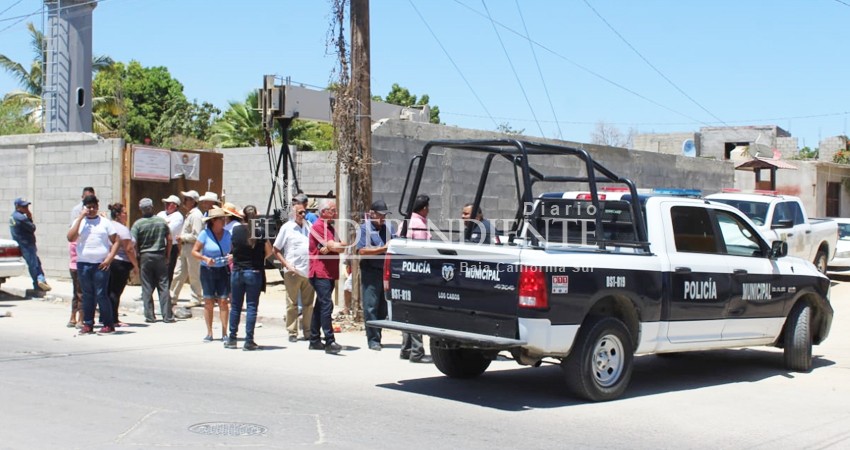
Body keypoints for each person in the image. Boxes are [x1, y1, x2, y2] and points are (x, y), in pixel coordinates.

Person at [67, 194, 120, 334]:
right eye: (88, 207)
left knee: (101, 294)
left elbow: (117, 241)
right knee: (87, 295)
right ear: (84, 207)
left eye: (94, 207)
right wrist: (80, 218)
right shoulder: (80, 222)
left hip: (100, 264)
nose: (91, 210)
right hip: (83, 264)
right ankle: (88, 324)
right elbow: (70, 237)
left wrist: (109, 258)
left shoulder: (105, 222)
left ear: (97, 207)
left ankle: (108, 324)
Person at [226, 205, 273, 351]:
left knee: (235, 307)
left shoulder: (236, 230)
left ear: (243, 216)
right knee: (251, 307)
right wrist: (258, 259)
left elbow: (232, 249)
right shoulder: (260, 232)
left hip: (238, 271)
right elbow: (269, 251)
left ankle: (232, 338)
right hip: (254, 272)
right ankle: (249, 340)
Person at [307, 199, 347, 354]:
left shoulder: (329, 227)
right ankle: (329, 341)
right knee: (326, 305)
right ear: (323, 212)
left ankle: (315, 339)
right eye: (332, 210)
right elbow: (334, 246)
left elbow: (342, 246)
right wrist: (332, 246)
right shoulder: (318, 226)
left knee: (320, 306)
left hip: (329, 272)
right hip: (320, 272)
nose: (335, 213)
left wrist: (334, 246)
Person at [273, 202, 315, 343]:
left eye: (304, 212)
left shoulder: (310, 227)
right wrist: (287, 265)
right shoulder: (287, 228)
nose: (303, 215)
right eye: (300, 212)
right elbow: (276, 250)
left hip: (308, 271)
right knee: (292, 303)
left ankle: (308, 331)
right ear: (293, 213)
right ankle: (292, 331)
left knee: (309, 303)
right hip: (293, 271)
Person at [356, 200, 395, 351]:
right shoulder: (364, 229)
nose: (382, 218)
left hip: (385, 272)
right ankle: (372, 339)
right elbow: (362, 251)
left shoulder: (388, 228)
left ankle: (378, 335)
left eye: (384, 215)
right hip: (370, 272)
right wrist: (382, 248)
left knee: (382, 307)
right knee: (371, 306)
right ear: (372, 214)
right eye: (380, 215)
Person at [192, 206, 232, 342]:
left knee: (223, 301)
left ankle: (225, 332)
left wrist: (232, 256)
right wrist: (205, 259)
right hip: (208, 270)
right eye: (222, 219)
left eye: (224, 218)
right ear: (214, 221)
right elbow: (195, 251)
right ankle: (209, 332)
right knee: (208, 301)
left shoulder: (227, 234)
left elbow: (234, 250)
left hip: (223, 269)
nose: (224, 221)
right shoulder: (205, 234)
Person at [131, 198, 173, 323]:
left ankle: (150, 316)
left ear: (141, 209)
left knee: (147, 286)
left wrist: (136, 256)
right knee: (163, 285)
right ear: (152, 207)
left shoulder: (138, 224)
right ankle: (167, 316)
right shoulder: (161, 222)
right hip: (160, 254)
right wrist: (168, 255)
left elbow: (133, 242)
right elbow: (169, 239)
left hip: (145, 256)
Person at [401, 194, 432, 363]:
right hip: (417, 274)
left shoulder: (406, 222)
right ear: (424, 208)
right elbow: (422, 253)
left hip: (404, 272)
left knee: (407, 311)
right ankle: (417, 352)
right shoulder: (419, 224)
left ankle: (406, 349)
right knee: (416, 312)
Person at [9, 197, 51, 293]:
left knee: (36, 262)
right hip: (27, 245)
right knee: (34, 265)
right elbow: (32, 228)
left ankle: (41, 280)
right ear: (17, 207)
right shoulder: (22, 218)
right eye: (24, 206)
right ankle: (38, 282)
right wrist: (29, 217)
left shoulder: (13, 216)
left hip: (21, 244)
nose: (26, 208)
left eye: (27, 206)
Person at [107, 203, 139, 327]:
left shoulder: (108, 225)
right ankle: (113, 319)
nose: (126, 215)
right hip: (120, 263)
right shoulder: (121, 229)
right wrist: (135, 265)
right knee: (115, 292)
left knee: (109, 291)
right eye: (124, 213)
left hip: (110, 261)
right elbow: (129, 249)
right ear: (118, 215)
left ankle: (107, 316)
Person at [171, 190, 203, 308]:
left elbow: (197, 235)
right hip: (185, 247)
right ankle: (172, 296)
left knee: (193, 273)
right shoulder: (190, 214)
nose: (184, 201)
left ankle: (196, 298)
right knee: (178, 272)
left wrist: (182, 237)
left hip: (192, 247)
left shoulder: (196, 215)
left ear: (193, 201)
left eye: (187, 199)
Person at [68, 187, 95, 327]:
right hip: (78, 262)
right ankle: (78, 318)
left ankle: (78, 317)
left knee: (81, 291)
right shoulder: (79, 217)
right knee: (80, 292)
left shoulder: (97, 219)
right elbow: (71, 237)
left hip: (86, 261)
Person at [157, 195, 184, 288]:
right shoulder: (160, 214)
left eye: (169, 204)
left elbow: (170, 231)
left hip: (171, 247)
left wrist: (162, 226)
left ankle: (166, 290)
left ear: (175, 205)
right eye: (166, 203)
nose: (166, 205)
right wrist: (165, 225)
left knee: (168, 270)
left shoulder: (178, 217)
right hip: (159, 245)